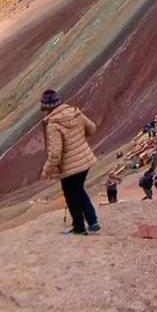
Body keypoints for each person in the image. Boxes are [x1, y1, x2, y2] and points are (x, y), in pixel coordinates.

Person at [40, 89, 101, 236]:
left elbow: (55, 153)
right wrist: (79, 140)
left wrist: (46, 170)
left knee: (71, 195)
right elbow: (91, 128)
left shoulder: (53, 124)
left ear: (47, 108)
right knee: (79, 190)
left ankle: (79, 228)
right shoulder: (75, 112)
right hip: (84, 160)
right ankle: (93, 222)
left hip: (69, 166)